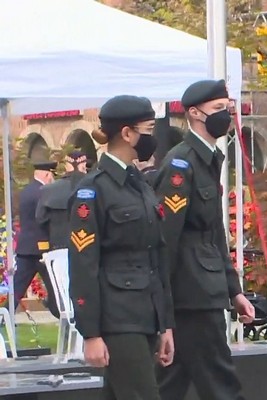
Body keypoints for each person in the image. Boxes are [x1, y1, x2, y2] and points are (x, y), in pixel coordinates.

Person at [68, 95, 174, 400]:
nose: (152, 137)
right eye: (149, 129)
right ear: (127, 134)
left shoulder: (139, 184)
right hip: (117, 318)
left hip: (144, 314)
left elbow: (156, 255)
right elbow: (84, 265)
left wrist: (164, 323)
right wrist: (91, 333)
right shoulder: (93, 190)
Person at [154, 79, 254, 400]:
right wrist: (163, 309)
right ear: (195, 114)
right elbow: (166, 241)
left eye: (227, 108)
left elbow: (213, 233)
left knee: (170, 385)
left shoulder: (208, 158)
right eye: (218, 110)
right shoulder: (181, 164)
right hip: (192, 293)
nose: (225, 115)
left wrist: (233, 290)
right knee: (220, 384)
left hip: (203, 287)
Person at [14, 160, 59, 318]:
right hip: (42, 249)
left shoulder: (27, 190)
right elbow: (45, 218)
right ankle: (59, 312)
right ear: (47, 174)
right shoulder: (43, 192)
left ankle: (3, 315)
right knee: (56, 288)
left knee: (17, 289)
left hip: (26, 248)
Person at [36, 150, 88, 251]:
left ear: (66, 167)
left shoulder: (49, 190)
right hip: (89, 249)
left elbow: (41, 219)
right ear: (83, 166)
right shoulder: (95, 187)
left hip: (58, 247)